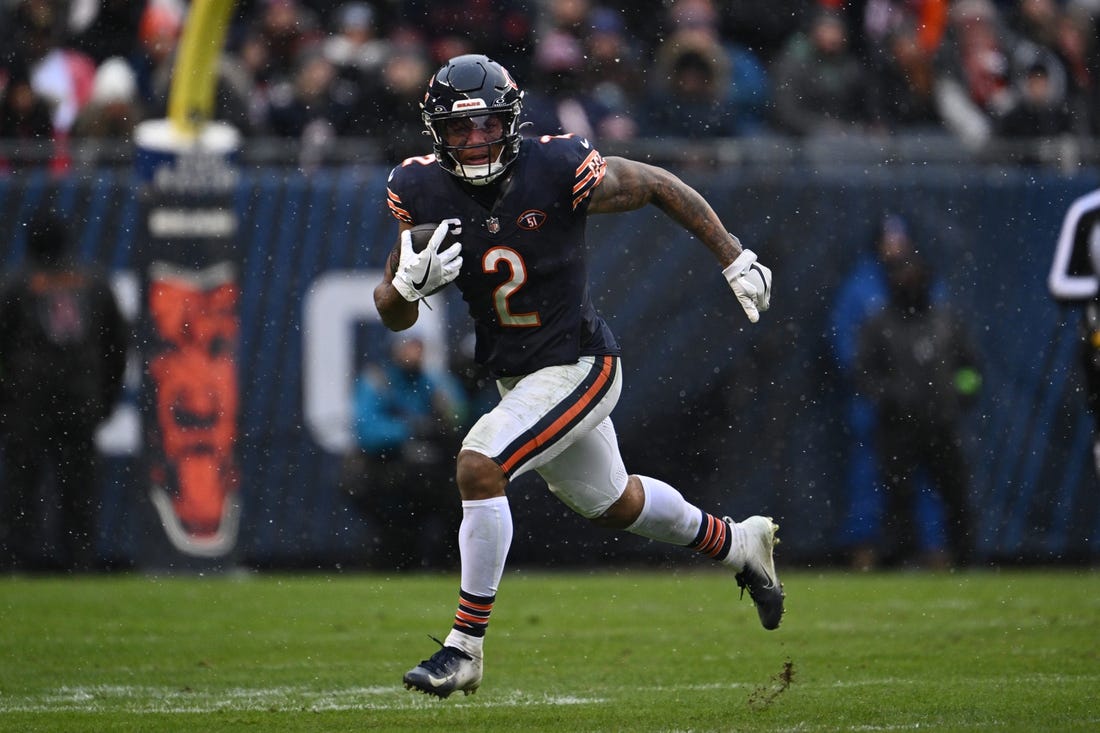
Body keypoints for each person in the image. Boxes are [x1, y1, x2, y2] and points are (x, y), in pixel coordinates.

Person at [374, 53, 783, 699]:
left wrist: (732, 255)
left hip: (580, 362)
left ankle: (464, 647)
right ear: (437, 132)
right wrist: (402, 285)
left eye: (488, 125)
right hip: (519, 376)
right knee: (615, 502)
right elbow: (392, 314)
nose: (477, 140)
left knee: (480, 463)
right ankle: (740, 544)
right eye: (461, 128)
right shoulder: (420, 189)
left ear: (512, 122)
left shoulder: (556, 166)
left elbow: (654, 182)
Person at [0, 205, 129, 572]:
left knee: (21, 490)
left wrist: (6, 398)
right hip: (79, 400)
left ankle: (13, 565)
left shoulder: (16, 284)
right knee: (78, 491)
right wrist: (105, 398)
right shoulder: (92, 281)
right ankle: (79, 564)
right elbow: (117, 346)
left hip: (28, 402)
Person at [827, 215, 948, 570]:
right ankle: (864, 548)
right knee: (868, 478)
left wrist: (930, 386)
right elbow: (844, 344)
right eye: (888, 241)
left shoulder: (923, 281)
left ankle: (933, 548)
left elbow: (944, 335)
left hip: (922, 403)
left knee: (927, 476)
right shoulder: (860, 287)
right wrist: (878, 387)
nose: (894, 248)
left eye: (900, 240)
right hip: (876, 402)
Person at [854, 252, 981, 569]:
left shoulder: (946, 320)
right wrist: (892, 397)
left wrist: (958, 395)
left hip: (942, 424)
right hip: (898, 429)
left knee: (956, 495)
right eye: (900, 274)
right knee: (898, 497)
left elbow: (972, 370)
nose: (908, 280)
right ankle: (902, 559)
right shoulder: (879, 324)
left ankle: (965, 559)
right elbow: (863, 374)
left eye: (914, 272)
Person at [343, 331, 468, 570]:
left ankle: (449, 562)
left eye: (418, 348)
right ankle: (388, 559)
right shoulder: (377, 381)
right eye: (407, 348)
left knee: (456, 496)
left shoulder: (432, 382)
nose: (413, 354)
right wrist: (410, 429)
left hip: (429, 474)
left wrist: (445, 417)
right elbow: (367, 433)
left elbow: (458, 414)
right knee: (393, 524)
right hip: (386, 469)